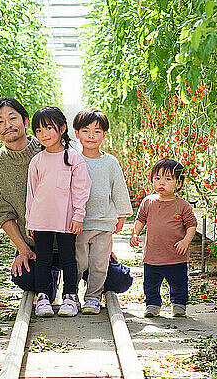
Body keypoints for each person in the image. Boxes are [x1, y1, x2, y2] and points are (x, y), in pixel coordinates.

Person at [0, 98, 132, 306]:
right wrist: (23, 250)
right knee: (24, 277)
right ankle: (51, 283)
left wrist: (99, 239)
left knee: (119, 279)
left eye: (12, 118)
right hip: (37, 244)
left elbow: (85, 190)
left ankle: (74, 289)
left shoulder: (53, 146)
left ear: (25, 121)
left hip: (74, 239)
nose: (7, 125)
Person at [26, 106, 91, 317]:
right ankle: (43, 297)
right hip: (41, 219)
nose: (44, 134)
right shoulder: (37, 161)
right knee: (43, 259)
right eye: (38, 130)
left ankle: (70, 296)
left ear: (62, 128)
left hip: (66, 219)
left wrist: (78, 215)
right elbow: (32, 192)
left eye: (48, 128)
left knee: (67, 258)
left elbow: (82, 189)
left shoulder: (73, 158)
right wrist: (29, 220)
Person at [73, 107, 133, 315]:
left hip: (103, 223)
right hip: (79, 223)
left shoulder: (110, 162)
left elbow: (119, 188)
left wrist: (122, 215)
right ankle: (71, 295)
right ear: (76, 133)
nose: (91, 136)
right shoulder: (73, 160)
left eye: (97, 131)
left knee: (99, 264)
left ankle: (92, 297)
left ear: (104, 135)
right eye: (86, 131)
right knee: (78, 262)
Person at [129, 158, 197, 318]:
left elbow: (191, 225)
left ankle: (179, 305)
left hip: (176, 256)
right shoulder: (148, 202)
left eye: (168, 179)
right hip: (153, 255)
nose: (161, 182)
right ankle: (152, 305)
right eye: (157, 178)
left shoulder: (182, 205)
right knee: (151, 283)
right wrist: (135, 233)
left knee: (179, 283)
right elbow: (141, 219)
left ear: (178, 184)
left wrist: (186, 241)